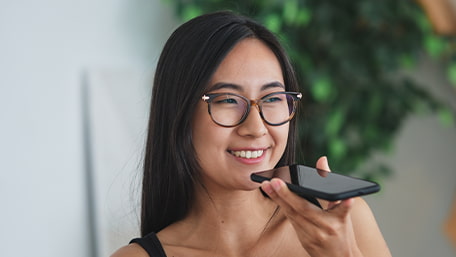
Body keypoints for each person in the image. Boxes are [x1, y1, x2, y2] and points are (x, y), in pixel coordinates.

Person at [112, 11, 392, 257]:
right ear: (179, 113)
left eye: (272, 98)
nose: (256, 128)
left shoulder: (344, 224)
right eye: (228, 100)